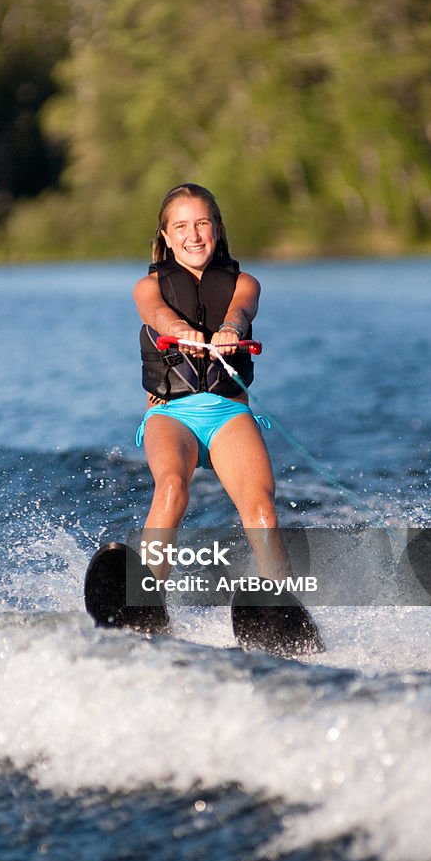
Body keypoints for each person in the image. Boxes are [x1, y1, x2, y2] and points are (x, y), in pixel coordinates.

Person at [134, 183, 292, 584]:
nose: (194, 235)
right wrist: (180, 328)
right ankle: (148, 592)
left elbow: (242, 309)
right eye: (182, 226)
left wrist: (229, 328)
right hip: (171, 414)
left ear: (217, 229)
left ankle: (281, 601)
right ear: (167, 238)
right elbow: (155, 314)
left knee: (261, 508)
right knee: (171, 487)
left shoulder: (245, 282)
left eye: (202, 223)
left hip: (229, 413)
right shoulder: (149, 286)